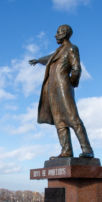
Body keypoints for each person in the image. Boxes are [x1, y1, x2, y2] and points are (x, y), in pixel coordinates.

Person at [29, 25, 94, 159]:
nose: (55, 35)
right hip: (52, 89)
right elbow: (48, 58)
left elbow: (76, 68)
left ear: (64, 33)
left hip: (64, 87)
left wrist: (71, 83)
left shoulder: (72, 48)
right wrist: (37, 60)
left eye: (58, 32)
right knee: (59, 121)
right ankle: (66, 151)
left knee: (73, 117)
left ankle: (87, 149)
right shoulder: (58, 51)